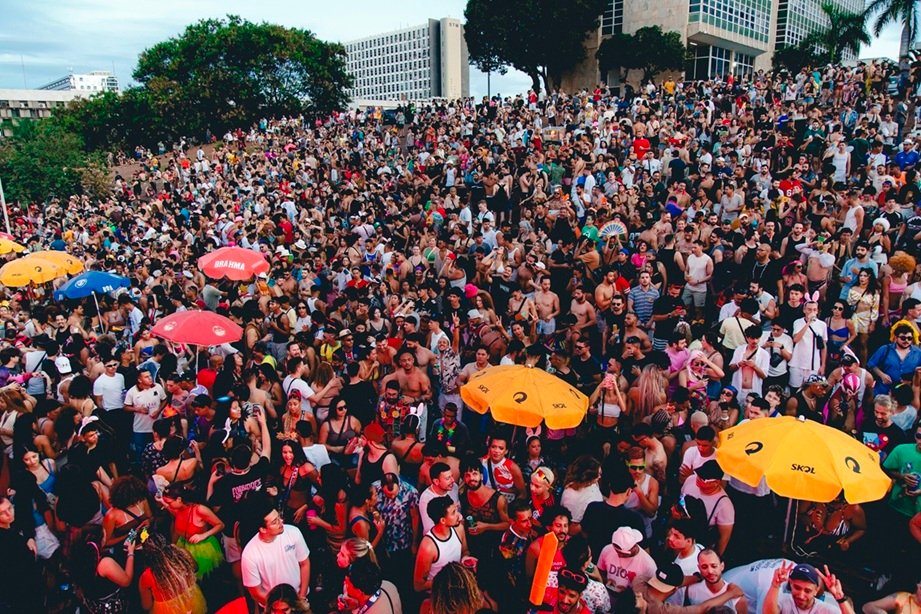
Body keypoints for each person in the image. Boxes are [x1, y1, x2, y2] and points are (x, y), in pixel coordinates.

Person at [240, 500, 311, 609]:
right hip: (273, 608)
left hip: (299, 598)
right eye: (274, 522)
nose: (281, 522)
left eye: (279, 517)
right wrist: (279, 607)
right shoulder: (250, 554)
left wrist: (301, 597)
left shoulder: (294, 532)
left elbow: (305, 564)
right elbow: (256, 592)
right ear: (262, 529)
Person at [138, 532, 208, 614]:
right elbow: (196, 568)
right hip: (191, 601)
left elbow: (146, 605)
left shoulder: (147, 576)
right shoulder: (184, 556)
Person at [413, 495, 469, 593]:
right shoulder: (428, 547)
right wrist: (448, 580)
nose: (458, 515)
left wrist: (466, 561)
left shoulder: (459, 529)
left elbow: (465, 551)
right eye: (453, 513)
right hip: (440, 595)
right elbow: (418, 585)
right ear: (442, 520)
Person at [763, 562, 855, 614]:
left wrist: (840, 598)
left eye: (807, 590)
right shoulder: (782, 600)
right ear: (790, 584)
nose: (801, 595)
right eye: (797, 587)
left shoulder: (824, 609)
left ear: (816, 590)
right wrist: (775, 585)